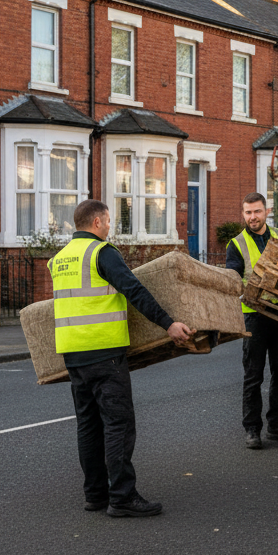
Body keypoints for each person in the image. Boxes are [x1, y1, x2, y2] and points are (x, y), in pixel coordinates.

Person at [51, 199, 193, 517]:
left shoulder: (59, 259)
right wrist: (168, 323)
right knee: (118, 424)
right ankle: (122, 497)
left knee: (88, 426)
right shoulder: (102, 252)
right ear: (98, 222)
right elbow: (134, 289)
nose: (110, 227)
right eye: (109, 221)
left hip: (73, 354)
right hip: (104, 351)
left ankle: (95, 495)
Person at [226, 192, 278, 450]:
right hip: (254, 316)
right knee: (253, 375)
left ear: (266, 211)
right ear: (243, 214)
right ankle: (252, 429)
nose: (252, 217)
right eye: (248, 213)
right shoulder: (236, 244)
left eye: (257, 212)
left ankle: (277, 425)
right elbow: (231, 281)